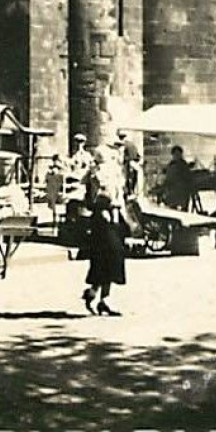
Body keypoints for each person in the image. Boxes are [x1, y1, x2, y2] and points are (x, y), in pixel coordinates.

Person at [82, 145, 127, 317]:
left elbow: (118, 194)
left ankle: (101, 297)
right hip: (102, 218)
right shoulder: (96, 174)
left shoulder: (114, 173)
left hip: (114, 216)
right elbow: (99, 196)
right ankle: (97, 294)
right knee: (107, 254)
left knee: (113, 256)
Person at [162, 145, 192, 211]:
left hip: (182, 191)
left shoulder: (184, 164)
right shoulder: (170, 165)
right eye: (176, 154)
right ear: (172, 155)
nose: (177, 156)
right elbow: (167, 178)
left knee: (184, 209)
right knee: (173, 209)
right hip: (172, 192)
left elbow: (188, 176)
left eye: (179, 154)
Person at [115, 129, 142, 198]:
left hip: (127, 165)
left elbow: (121, 159)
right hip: (133, 164)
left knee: (125, 180)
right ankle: (133, 192)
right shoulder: (132, 144)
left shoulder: (123, 145)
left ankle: (129, 192)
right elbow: (138, 156)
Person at [45, 154, 65, 227]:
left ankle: (56, 220)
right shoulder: (50, 169)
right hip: (52, 186)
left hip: (57, 185)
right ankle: (54, 220)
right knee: (53, 204)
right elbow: (47, 177)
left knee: (57, 204)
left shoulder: (61, 168)